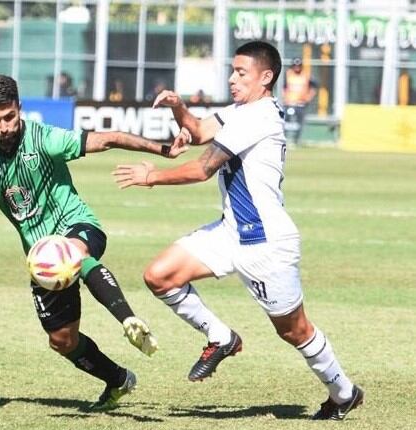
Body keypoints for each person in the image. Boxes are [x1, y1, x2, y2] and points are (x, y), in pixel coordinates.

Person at [112, 41, 363, 421]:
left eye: (241, 73)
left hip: (266, 243)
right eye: (232, 70)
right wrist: (179, 107)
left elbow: (202, 168)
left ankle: (344, 393)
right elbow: (198, 133)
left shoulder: (258, 117)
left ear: (266, 78)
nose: (232, 78)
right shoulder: (240, 111)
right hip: (232, 231)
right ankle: (221, 337)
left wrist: (152, 177)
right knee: (160, 276)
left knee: (295, 331)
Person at [0, 74, 185, 411]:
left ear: (19, 109)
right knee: (62, 341)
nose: (2, 127)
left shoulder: (45, 139)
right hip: (42, 258)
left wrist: (165, 150)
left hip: (79, 227)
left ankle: (129, 320)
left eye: (9, 118)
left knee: (72, 252)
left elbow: (110, 139)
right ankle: (118, 379)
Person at [283, 58, 317, 145]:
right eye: (295, 66)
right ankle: (284, 139)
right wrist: (285, 97)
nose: (297, 68)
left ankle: (296, 141)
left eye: (299, 66)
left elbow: (314, 87)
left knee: (299, 123)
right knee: (285, 122)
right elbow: (283, 87)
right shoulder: (288, 74)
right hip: (289, 103)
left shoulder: (306, 75)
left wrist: (308, 98)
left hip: (301, 104)